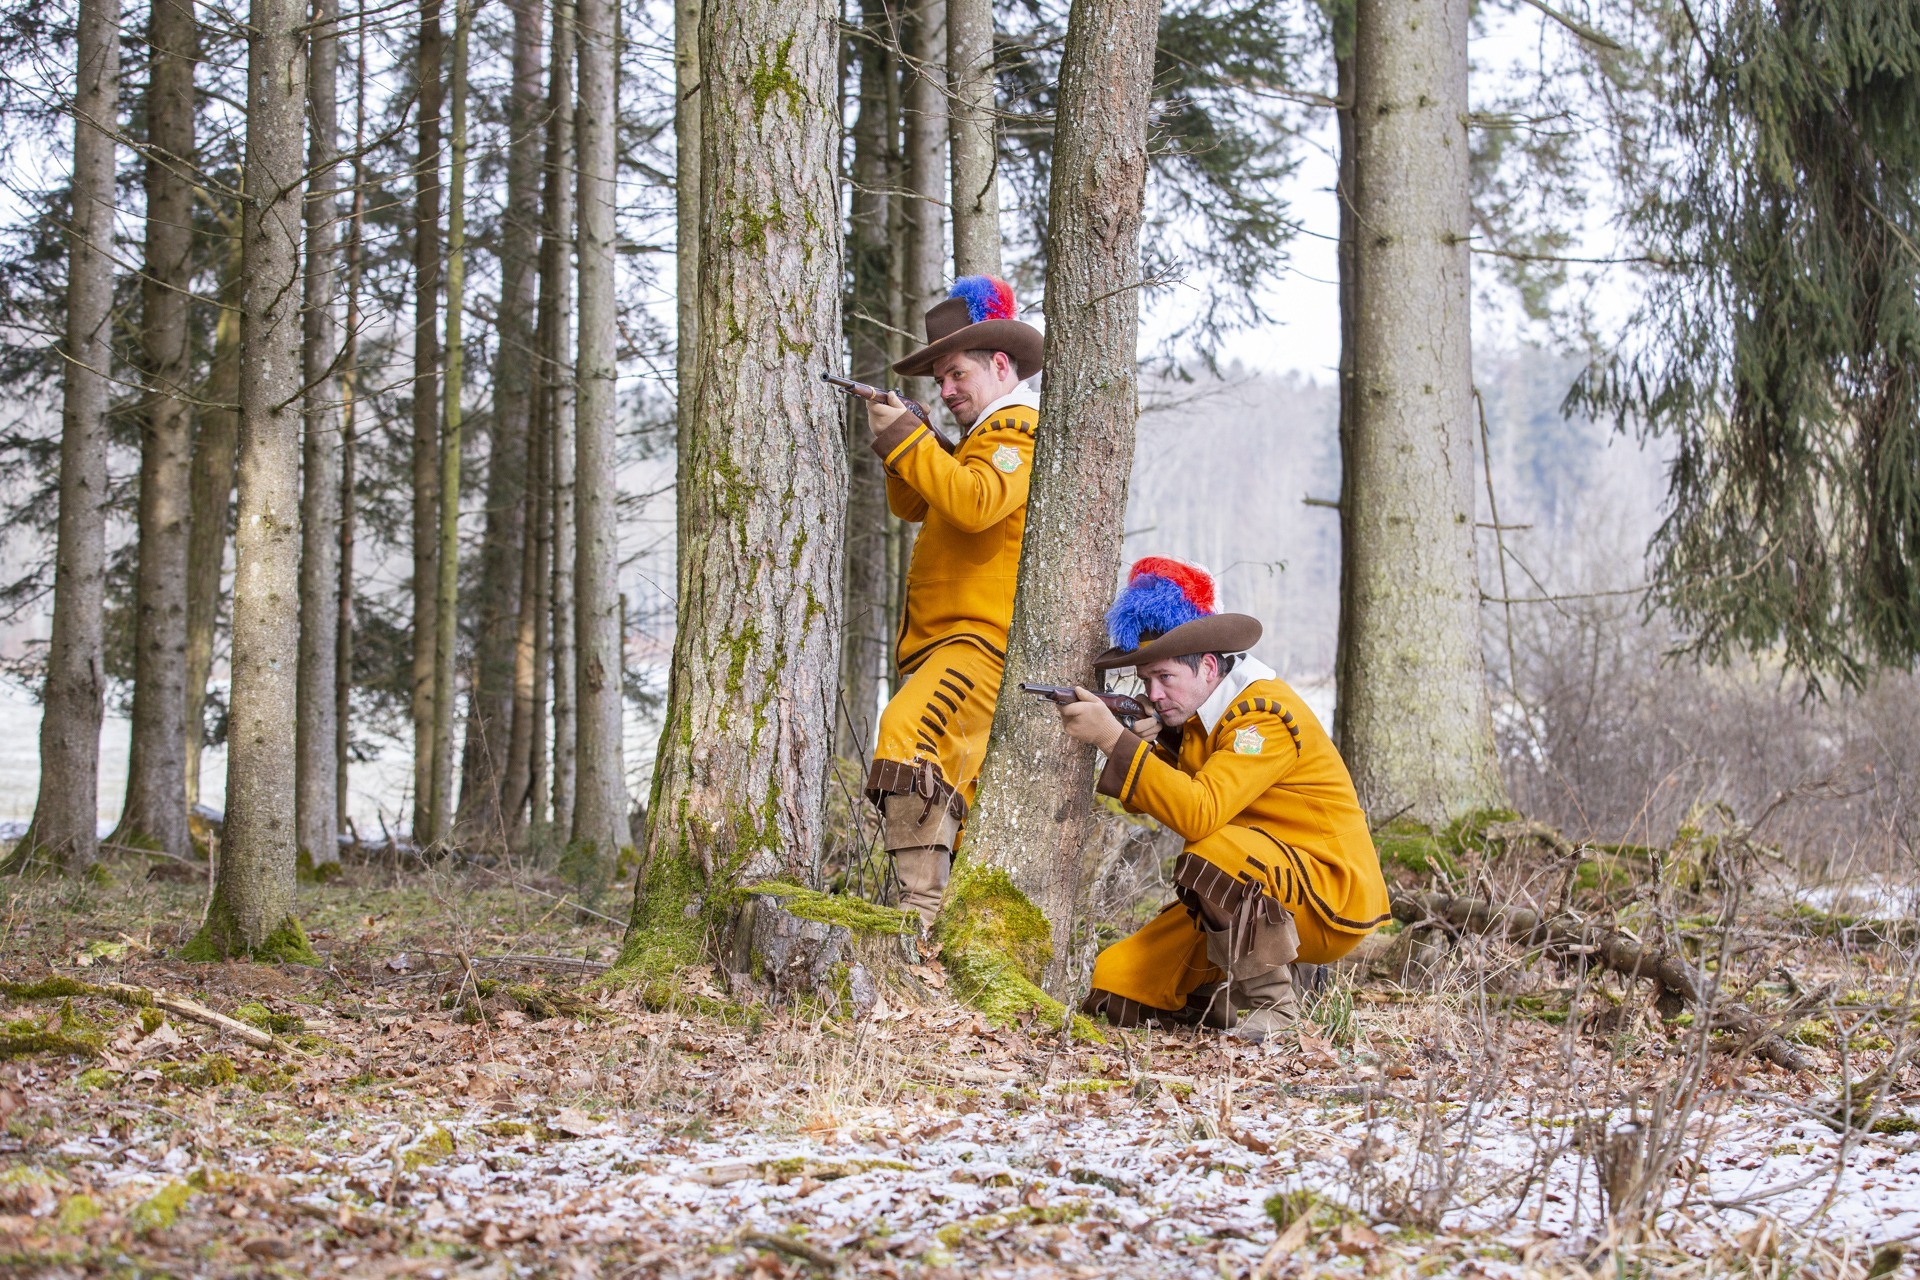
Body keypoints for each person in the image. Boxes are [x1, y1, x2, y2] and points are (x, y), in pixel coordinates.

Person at [1051, 557, 1390, 1040]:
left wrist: (1114, 740)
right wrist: (1154, 745)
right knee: (1119, 986)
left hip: (1326, 895)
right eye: (1146, 681)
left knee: (1211, 851)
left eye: (1165, 678)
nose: (1154, 692)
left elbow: (1199, 811)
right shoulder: (1198, 719)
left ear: (1209, 666)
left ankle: (1277, 1009)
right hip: (1263, 882)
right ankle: (1244, 996)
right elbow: (1166, 794)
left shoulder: (1262, 717)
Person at [861, 276, 1044, 928]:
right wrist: (909, 436)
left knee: (903, 734)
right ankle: (937, 929)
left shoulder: (1016, 430)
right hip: (952, 645)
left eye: (956, 373)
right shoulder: (978, 440)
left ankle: (918, 919)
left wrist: (911, 441)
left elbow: (972, 504)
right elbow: (914, 500)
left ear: (1001, 365)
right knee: (950, 784)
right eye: (939, 380)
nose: (947, 390)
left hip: (977, 644)